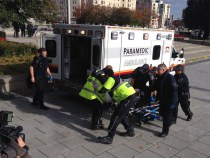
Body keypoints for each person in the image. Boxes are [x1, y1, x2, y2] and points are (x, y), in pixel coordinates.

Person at [97, 66, 136, 144]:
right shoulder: (115, 77)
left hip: (128, 98)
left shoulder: (110, 79)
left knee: (116, 117)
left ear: (106, 75)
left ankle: (109, 137)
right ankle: (130, 131)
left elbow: (103, 91)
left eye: (104, 75)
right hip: (130, 96)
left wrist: (96, 87)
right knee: (122, 115)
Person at [151, 64, 178, 137]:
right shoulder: (160, 77)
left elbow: (174, 91)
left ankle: (165, 132)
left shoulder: (170, 78)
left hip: (169, 101)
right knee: (162, 113)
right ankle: (170, 121)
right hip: (162, 100)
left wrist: (173, 103)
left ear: (163, 70)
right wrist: (148, 90)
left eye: (158, 69)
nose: (157, 71)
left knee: (166, 117)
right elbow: (156, 86)